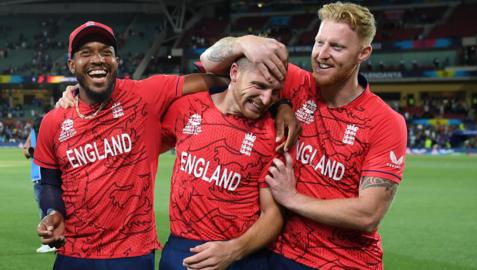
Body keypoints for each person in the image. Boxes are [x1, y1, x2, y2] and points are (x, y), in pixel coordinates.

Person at [35, 21, 298, 270]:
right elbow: (48, 180)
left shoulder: (147, 94)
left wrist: (280, 103)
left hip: (138, 253)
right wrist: (52, 210)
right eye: (85, 52)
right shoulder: (55, 121)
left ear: (116, 60)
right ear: (71, 64)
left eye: (106, 52)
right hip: (93, 251)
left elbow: (212, 77)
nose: (97, 58)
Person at [200, 2, 408, 269]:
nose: (322, 54)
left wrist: (292, 198)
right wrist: (243, 43)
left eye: (337, 47)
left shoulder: (385, 122)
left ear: (363, 53)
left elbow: (368, 215)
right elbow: (209, 63)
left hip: (344, 263)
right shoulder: (295, 84)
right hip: (278, 255)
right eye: (319, 42)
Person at [158, 57, 284, 270]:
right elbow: (142, 148)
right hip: (182, 250)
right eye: (259, 86)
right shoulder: (187, 107)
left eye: (275, 92)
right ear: (234, 73)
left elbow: (274, 214)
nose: (266, 99)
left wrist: (234, 250)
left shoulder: (275, 135)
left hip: (240, 256)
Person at [22, 116, 56, 253]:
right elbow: (25, 151)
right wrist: (31, 150)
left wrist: (32, 151)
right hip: (37, 176)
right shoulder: (33, 133)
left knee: (48, 209)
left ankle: (51, 242)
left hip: (46, 175)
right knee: (45, 209)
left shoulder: (45, 131)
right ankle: (51, 241)